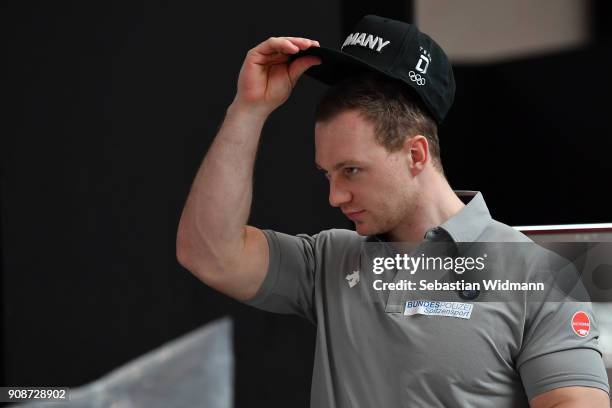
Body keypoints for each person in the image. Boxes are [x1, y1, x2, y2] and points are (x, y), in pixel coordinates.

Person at [176, 15, 610, 407]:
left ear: (416, 155)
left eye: (351, 170)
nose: (336, 196)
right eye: (327, 174)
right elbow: (207, 252)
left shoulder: (539, 275)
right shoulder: (329, 260)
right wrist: (248, 110)